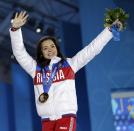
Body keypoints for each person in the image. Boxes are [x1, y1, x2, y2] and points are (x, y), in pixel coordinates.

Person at [9, 11, 122, 131]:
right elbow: (19, 53)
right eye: (45, 48)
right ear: (41, 52)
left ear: (57, 49)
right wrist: (15, 30)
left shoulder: (70, 64)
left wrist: (110, 31)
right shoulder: (35, 69)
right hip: (46, 121)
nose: (50, 50)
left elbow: (92, 49)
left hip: (66, 118)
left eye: (52, 46)